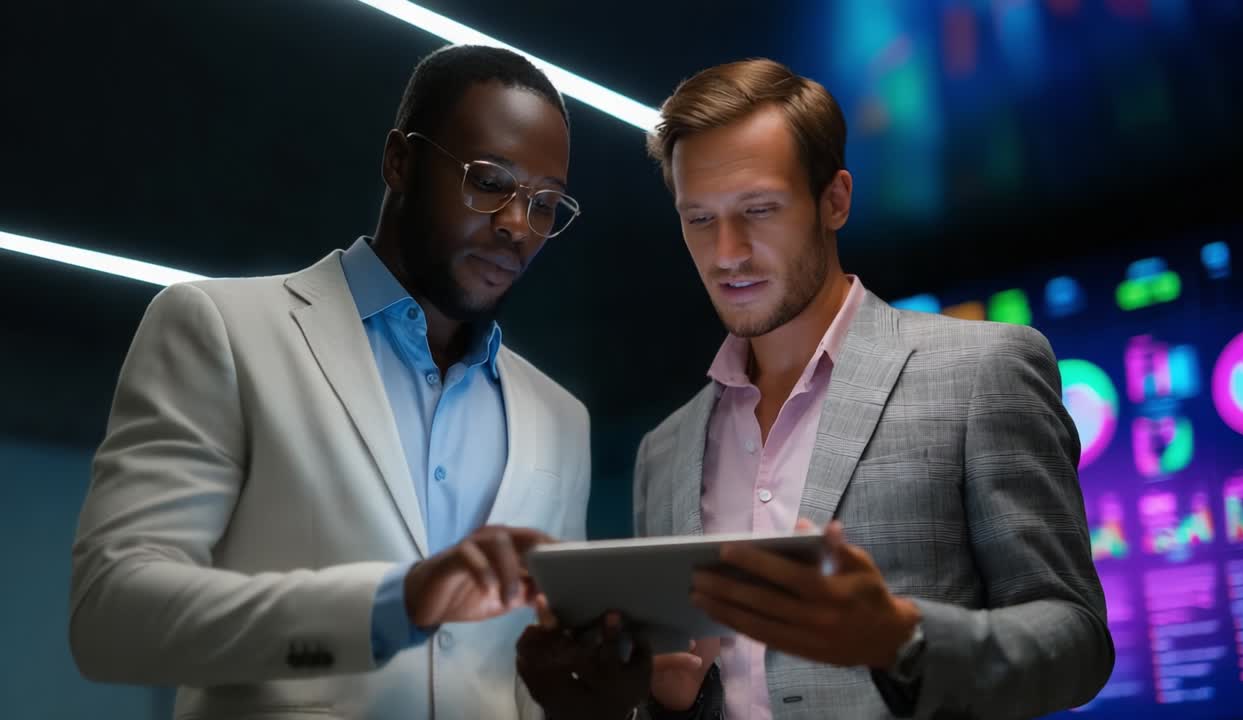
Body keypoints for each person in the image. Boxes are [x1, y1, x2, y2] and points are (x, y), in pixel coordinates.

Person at [517, 58, 1112, 720]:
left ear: (835, 200)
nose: (727, 254)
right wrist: (668, 702)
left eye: (759, 210)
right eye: (699, 219)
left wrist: (900, 638)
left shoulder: (983, 370)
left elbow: (1078, 640)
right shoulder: (664, 451)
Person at [69, 45, 589, 720]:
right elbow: (109, 616)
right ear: (399, 160)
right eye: (489, 181)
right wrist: (392, 603)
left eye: (544, 205)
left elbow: (527, 680)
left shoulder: (562, 419)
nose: (518, 225)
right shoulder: (221, 330)